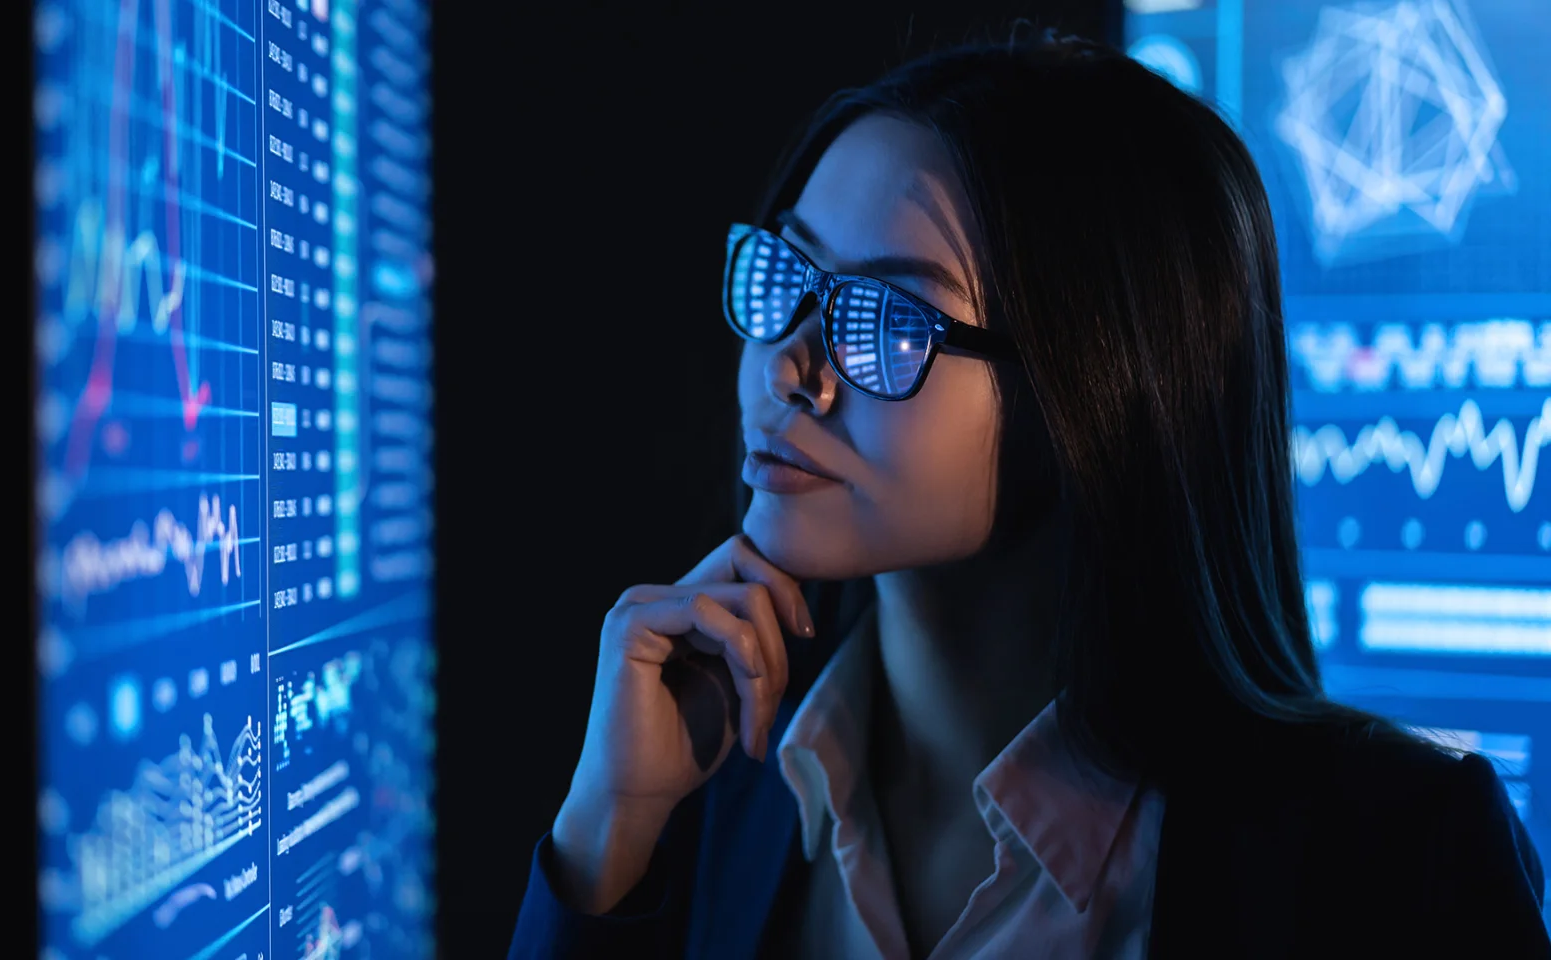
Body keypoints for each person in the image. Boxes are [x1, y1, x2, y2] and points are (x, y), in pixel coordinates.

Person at [508, 28, 1548, 960]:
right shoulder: (706, 784)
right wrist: (606, 834)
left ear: (1094, 390)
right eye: (788, 280)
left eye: (885, 321)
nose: (792, 367)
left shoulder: (1395, 858)